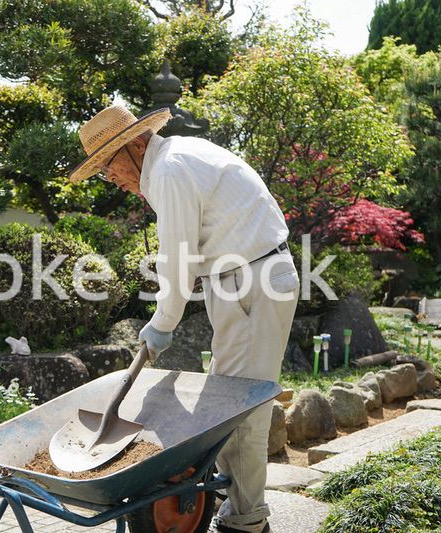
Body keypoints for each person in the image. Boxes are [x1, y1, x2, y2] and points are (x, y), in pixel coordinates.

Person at [69, 105, 299, 533]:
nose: (112, 179)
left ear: (135, 144)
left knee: (243, 408)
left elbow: (178, 258)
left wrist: (164, 321)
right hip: (241, 280)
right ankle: (239, 510)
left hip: (252, 282)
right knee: (229, 402)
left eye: (110, 165)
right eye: (101, 172)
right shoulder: (176, 159)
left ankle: (247, 523)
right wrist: (166, 319)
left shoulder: (171, 170)